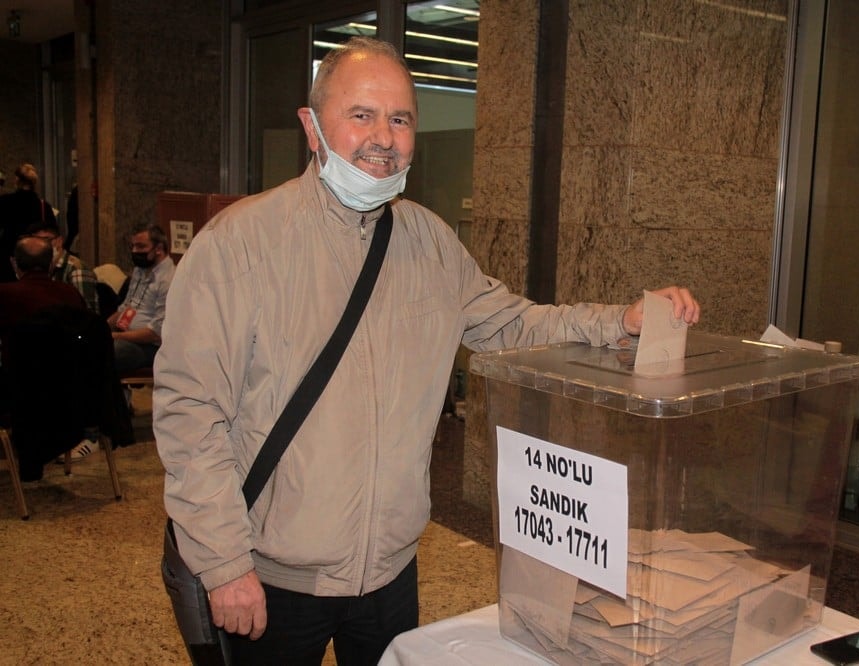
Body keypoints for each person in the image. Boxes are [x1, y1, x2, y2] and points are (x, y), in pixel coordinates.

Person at [153, 36, 700, 665]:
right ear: (312, 126)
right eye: (361, 115)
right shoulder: (240, 245)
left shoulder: (428, 242)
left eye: (400, 118)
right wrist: (224, 565)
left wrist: (621, 322)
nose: (383, 136)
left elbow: (512, 323)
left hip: (390, 573)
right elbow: (191, 415)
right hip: (272, 578)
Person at [0, 236, 89, 478]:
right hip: (75, 399)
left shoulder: (5, 296)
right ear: (52, 265)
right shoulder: (71, 296)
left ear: (14, 263)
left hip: (19, 398)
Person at [108, 223, 174, 375]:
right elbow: (125, 307)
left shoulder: (168, 280)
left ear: (158, 248)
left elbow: (156, 333)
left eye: (141, 246)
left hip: (151, 346)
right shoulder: (139, 270)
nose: (134, 251)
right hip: (125, 334)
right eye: (133, 246)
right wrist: (100, 328)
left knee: (108, 353)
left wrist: (114, 336)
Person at [24, 220, 100, 314]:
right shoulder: (40, 266)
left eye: (45, 240)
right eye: (35, 242)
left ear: (59, 241)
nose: (40, 246)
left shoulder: (76, 269)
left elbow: (87, 313)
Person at [0, 163, 58, 283]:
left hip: (8, 256)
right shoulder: (43, 206)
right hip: (37, 257)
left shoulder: (4, 202)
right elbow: (54, 231)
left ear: (16, 180)